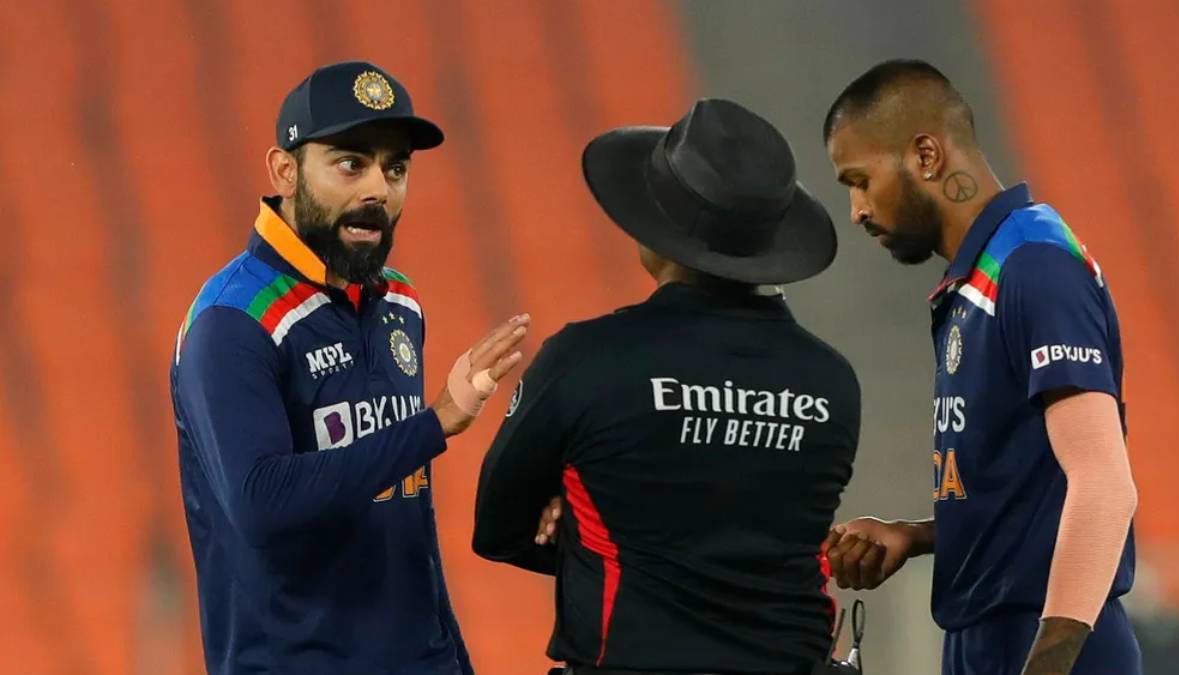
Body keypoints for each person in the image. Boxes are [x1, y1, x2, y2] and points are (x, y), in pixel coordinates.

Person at [473, 99, 862, 675]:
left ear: (657, 231)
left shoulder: (586, 358)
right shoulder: (833, 381)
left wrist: (602, 540)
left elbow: (499, 530)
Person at [169, 60, 527, 675]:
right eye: (350, 164)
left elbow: (403, 509)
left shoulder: (400, 302)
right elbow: (260, 501)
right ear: (285, 171)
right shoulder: (233, 318)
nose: (378, 190)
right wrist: (434, 424)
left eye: (395, 169)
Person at [821, 59, 1140, 675]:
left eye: (860, 181)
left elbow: (1104, 484)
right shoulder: (978, 280)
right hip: (985, 638)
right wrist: (914, 535)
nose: (857, 210)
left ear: (926, 156)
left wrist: (1048, 663)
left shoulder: (1034, 264)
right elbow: (1027, 494)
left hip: (1049, 640)